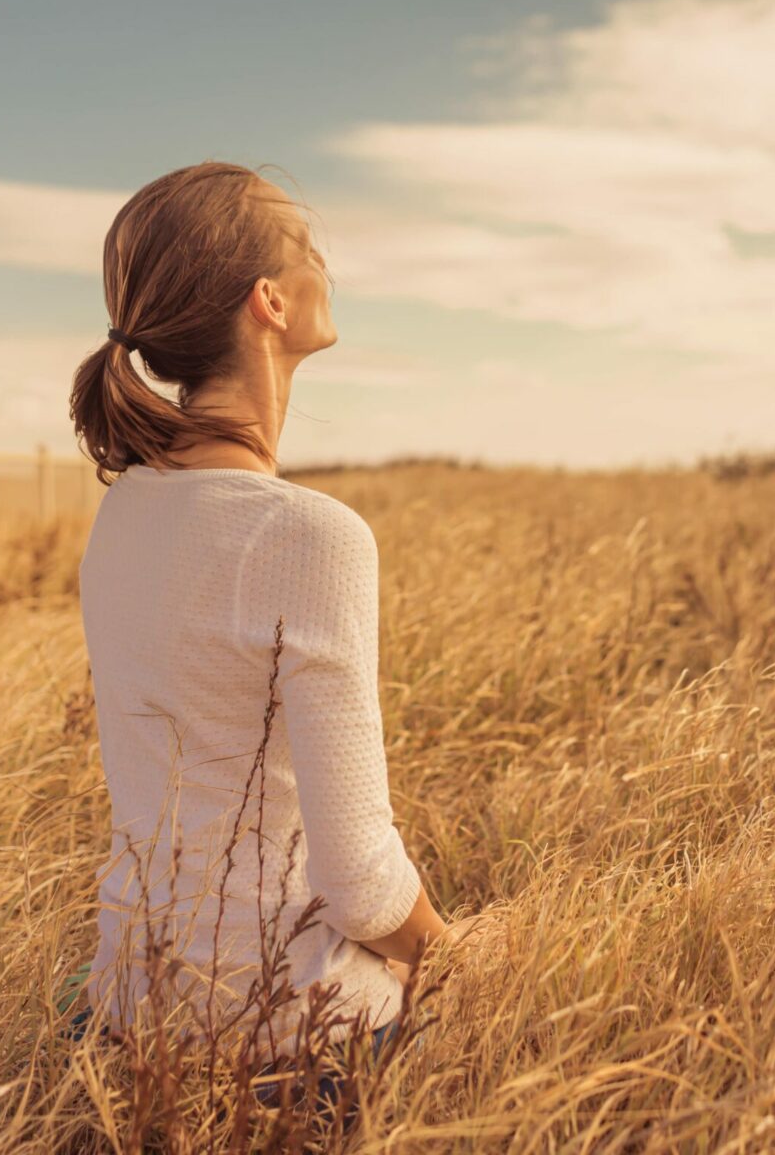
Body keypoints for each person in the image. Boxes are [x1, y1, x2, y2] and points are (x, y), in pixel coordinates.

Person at [64, 160, 476, 1114]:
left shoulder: (123, 513)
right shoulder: (308, 536)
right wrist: (462, 962)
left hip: (122, 1008)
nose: (328, 265)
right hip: (286, 1039)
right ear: (272, 303)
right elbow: (362, 885)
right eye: (313, 250)